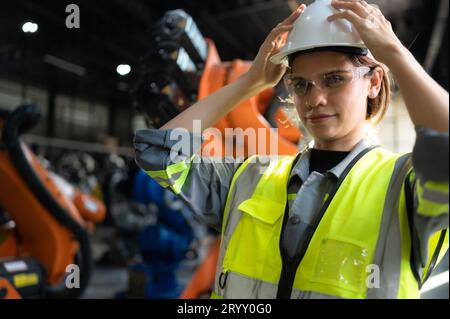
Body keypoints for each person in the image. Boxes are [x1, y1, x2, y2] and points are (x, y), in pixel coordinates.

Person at [134, 0, 449, 299]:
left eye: (335, 79)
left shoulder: (403, 189)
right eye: (301, 84)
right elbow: (158, 154)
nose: (315, 99)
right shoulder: (248, 178)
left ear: (374, 82)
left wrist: (394, 52)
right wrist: (250, 82)